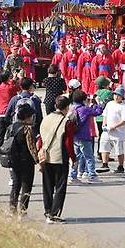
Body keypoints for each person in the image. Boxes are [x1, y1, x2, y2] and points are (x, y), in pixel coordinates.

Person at [39, 95, 75, 224]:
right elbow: (68, 143)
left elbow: (41, 139)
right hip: (60, 156)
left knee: (47, 186)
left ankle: (48, 211)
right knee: (60, 187)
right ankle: (54, 214)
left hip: (46, 155)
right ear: (67, 107)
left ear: (55, 106)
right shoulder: (67, 122)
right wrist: (73, 158)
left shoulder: (46, 119)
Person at [8, 104, 39, 219]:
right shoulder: (27, 129)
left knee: (15, 185)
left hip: (14, 160)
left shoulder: (12, 127)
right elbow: (31, 147)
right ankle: (23, 211)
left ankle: (12, 209)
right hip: (26, 161)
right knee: (26, 186)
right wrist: (38, 161)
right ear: (27, 117)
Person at [69, 89, 104, 184]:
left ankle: (73, 176)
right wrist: (98, 102)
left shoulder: (71, 108)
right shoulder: (84, 109)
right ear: (83, 100)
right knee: (89, 157)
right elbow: (98, 112)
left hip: (74, 136)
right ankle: (92, 175)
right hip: (84, 136)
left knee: (76, 157)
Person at [100, 87, 125, 174]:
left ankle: (121, 166)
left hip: (118, 133)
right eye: (115, 95)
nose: (117, 97)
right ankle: (105, 164)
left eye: (119, 96)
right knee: (104, 146)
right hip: (107, 130)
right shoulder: (109, 104)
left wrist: (115, 126)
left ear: (122, 97)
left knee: (119, 150)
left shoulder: (123, 107)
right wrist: (104, 123)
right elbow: (105, 114)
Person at [0, 71, 21, 155]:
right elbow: (18, 87)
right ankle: (8, 152)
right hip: (8, 113)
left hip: (0, 112)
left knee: (0, 135)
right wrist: (15, 79)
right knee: (10, 135)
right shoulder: (10, 87)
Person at [94, 76, 113, 165]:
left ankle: (99, 152)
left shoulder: (96, 92)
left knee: (101, 136)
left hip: (98, 117)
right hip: (106, 117)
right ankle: (104, 154)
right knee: (106, 137)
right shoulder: (109, 92)